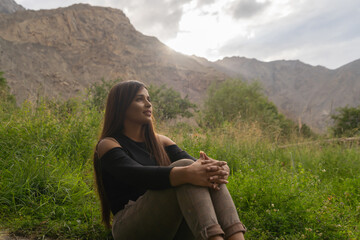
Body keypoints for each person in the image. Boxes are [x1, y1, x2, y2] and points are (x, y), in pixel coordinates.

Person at [93, 80, 246, 240]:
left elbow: (198, 168)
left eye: (149, 99)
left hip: (172, 225)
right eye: (139, 99)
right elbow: (137, 175)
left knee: (203, 171)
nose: (148, 104)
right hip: (130, 227)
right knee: (187, 169)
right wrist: (187, 172)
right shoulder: (108, 144)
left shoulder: (162, 141)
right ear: (121, 106)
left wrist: (219, 169)